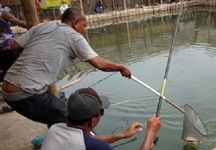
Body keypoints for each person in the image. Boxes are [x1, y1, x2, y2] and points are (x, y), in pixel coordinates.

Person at [1, 7, 131, 127]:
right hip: (25, 94)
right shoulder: (75, 37)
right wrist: (121, 67)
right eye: (83, 25)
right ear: (76, 23)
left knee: (55, 112)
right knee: (72, 121)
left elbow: (14, 47)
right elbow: (100, 64)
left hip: (7, 87)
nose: (84, 29)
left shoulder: (42, 26)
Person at [26, 87, 161, 150]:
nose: (101, 115)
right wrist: (151, 132)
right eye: (101, 112)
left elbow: (89, 142)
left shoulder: (56, 128)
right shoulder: (93, 148)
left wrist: (122, 135)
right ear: (93, 120)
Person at [0, 4, 27, 81]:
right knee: (15, 68)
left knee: (5, 68)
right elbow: (19, 23)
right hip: (8, 45)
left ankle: (7, 84)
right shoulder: (3, 13)